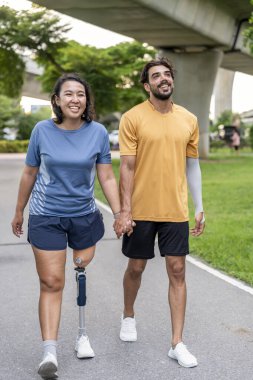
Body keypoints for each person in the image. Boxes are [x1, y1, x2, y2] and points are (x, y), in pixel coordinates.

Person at [11, 73, 122, 379]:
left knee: (80, 266)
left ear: (87, 100)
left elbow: (107, 177)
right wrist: (19, 210)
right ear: (57, 100)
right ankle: (50, 352)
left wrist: (120, 212)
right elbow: (29, 173)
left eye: (81, 94)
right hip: (46, 216)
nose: (75, 99)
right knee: (52, 282)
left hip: (84, 216)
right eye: (68, 94)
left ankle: (82, 334)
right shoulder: (41, 131)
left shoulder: (98, 132)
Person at [117, 57, 205, 368]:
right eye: (156, 76)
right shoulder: (132, 117)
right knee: (136, 268)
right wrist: (125, 210)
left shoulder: (189, 119)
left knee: (178, 271)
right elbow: (126, 167)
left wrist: (200, 206)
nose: (163, 79)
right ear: (147, 85)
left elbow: (192, 165)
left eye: (167, 74)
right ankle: (128, 314)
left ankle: (177, 342)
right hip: (141, 209)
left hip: (175, 209)